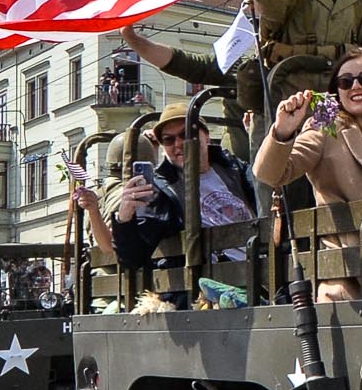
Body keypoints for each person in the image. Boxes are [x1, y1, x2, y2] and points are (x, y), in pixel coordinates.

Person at [252, 51, 362, 303]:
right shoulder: (325, 128)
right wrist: (282, 131)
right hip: (350, 277)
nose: (355, 86)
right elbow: (271, 174)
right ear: (337, 91)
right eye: (345, 82)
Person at [100, 102, 257, 277]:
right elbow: (133, 259)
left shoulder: (233, 168)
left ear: (206, 136)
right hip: (211, 282)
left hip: (262, 265)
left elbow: (267, 190)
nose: (179, 144)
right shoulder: (161, 190)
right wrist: (124, 218)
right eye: (169, 139)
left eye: (187, 134)